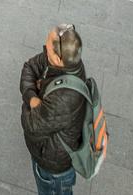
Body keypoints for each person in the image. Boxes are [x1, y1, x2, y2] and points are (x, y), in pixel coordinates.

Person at [21, 25, 91, 195]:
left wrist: (29, 100)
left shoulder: (65, 98)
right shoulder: (69, 61)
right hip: (50, 156)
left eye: (49, 51)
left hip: (53, 170)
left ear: (59, 60)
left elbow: (31, 124)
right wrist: (33, 97)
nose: (45, 52)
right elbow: (29, 67)